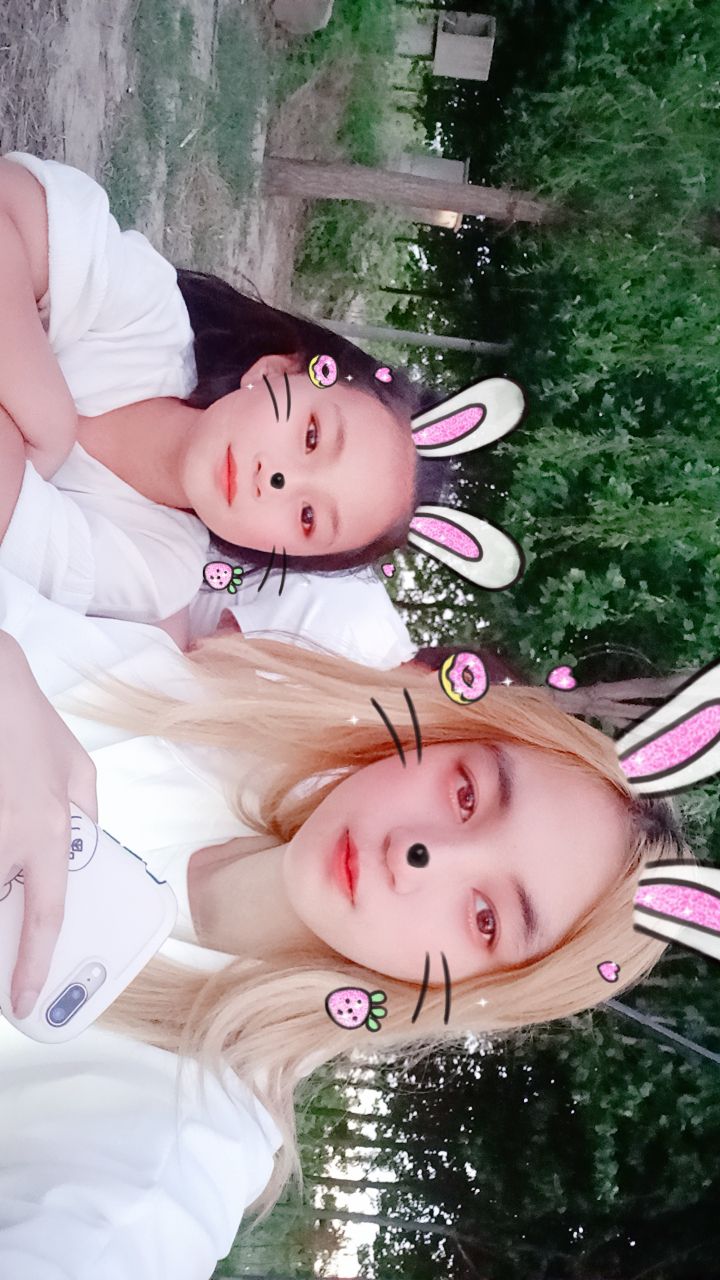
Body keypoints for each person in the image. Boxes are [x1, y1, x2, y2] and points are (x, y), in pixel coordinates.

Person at [0, 567, 687, 1276]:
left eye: (486, 916)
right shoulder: (170, 702)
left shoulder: (179, 1135)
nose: (421, 854)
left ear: (479, 988)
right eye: (466, 793)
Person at [0, 152, 443, 632]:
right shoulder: (147, 313)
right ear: (273, 373)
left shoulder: (160, 567)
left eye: (307, 516)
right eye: (311, 436)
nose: (277, 480)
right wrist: (48, 425)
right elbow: (11, 199)